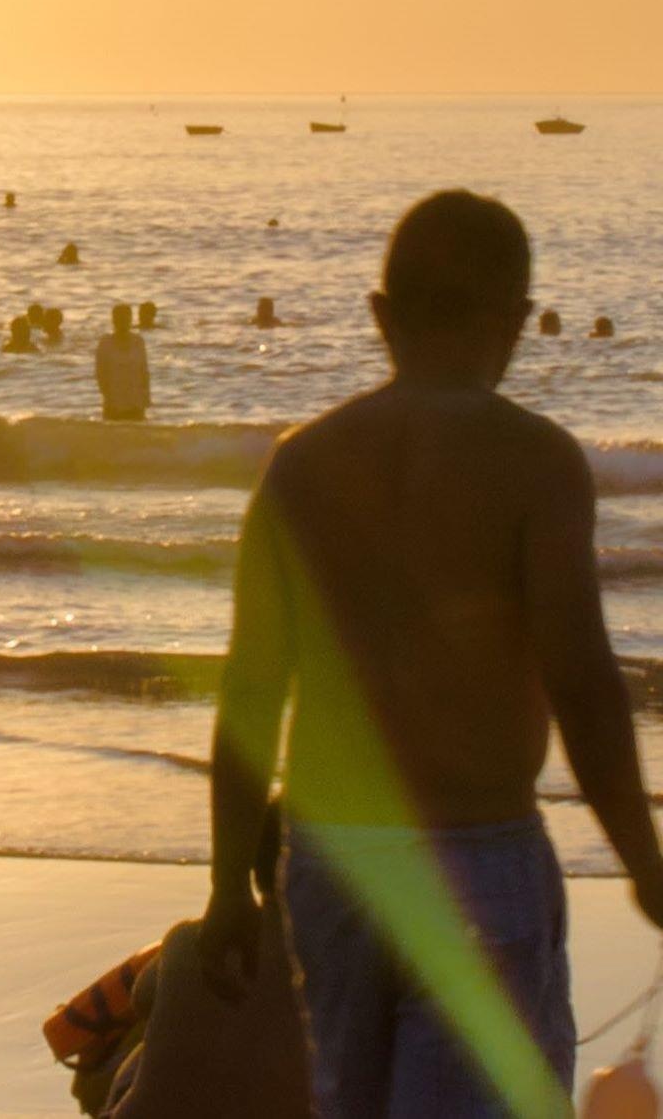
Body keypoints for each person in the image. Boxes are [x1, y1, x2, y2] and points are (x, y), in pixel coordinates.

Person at [202, 190, 663, 1118]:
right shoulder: (536, 462)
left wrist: (225, 890)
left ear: (381, 315)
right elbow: (581, 682)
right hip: (477, 859)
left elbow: (251, 693)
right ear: (516, 321)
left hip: (334, 867)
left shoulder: (301, 464)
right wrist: (644, 861)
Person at [47, 803, 306, 1118]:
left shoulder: (192, 939)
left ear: (251, 864)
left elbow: (141, 1000)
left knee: (148, 1030)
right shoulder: (328, 960)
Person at [95, 304, 151, 421]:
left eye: (126, 318)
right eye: (119, 319)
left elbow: (144, 371)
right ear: (113, 320)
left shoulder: (138, 341)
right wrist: (107, 396)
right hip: (114, 403)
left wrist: (146, 397)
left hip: (136, 402)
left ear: (130, 319)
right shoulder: (105, 343)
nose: (122, 322)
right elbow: (100, 374)